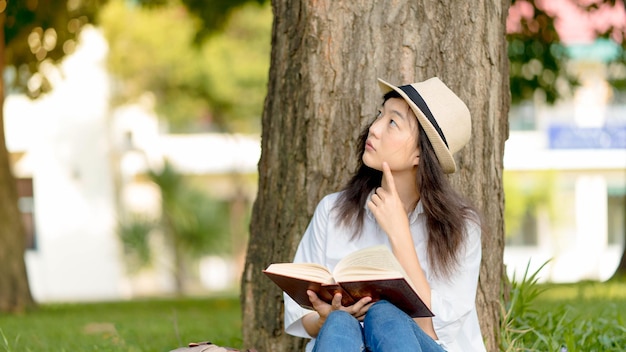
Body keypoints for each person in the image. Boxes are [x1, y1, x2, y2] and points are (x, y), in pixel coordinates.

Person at [283, 77, 487, 352]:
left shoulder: (462, 228)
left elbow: (431, 330)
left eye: (393, 122)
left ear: (420, 154)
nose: (375, 129)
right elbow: (299, 317)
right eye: (380, 115)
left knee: (384, 315)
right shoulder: (332, 211)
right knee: (340, 324)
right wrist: (325, 318)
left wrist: (399, 232)